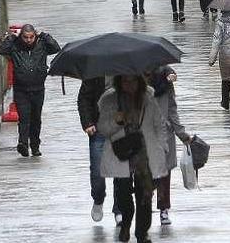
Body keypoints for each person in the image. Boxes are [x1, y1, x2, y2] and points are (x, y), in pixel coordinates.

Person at [98, 75, 168, 243]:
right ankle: (126, 223)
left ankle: (142, 233)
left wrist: (162, 148)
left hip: (146, 155)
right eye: (125, 81)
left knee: (145, 196)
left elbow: (159, 125)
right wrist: (117, 122)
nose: (130, 85)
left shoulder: (148, 97)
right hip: (121, 154)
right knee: (123, 197)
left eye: (133, 81)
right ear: (119, 82)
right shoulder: (108, 100)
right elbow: (103, 128)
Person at [0, 24, 61, 157]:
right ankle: (23, 143)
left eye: (31, 37)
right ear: (22, 36)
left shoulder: (42, 45)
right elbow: (2, 50)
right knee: (24, 117)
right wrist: (11, 38)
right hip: (21, 89)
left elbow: (55, 48)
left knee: (36, 118)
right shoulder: (15, 46)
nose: (28, 40)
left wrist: (44, 35)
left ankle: (35, 145)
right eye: (25, 37)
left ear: (35, 36)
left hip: (38, 88)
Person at [149, 66, 192, 226]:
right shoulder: (134, 82)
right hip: (143, 135)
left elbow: (172, 110)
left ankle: (163, 209)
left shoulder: (166, 82)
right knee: (148, 173)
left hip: (163, 134)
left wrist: (182, 134)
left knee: (164, 173)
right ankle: (146, 200)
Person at [77, 76, 121, 225]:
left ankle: (119, 209)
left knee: (121, 172)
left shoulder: (127, 71)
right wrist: (88, 123)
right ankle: (98, 198)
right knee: (97, 171)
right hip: (99, 129)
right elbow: (83, 100)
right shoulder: (94, 74)